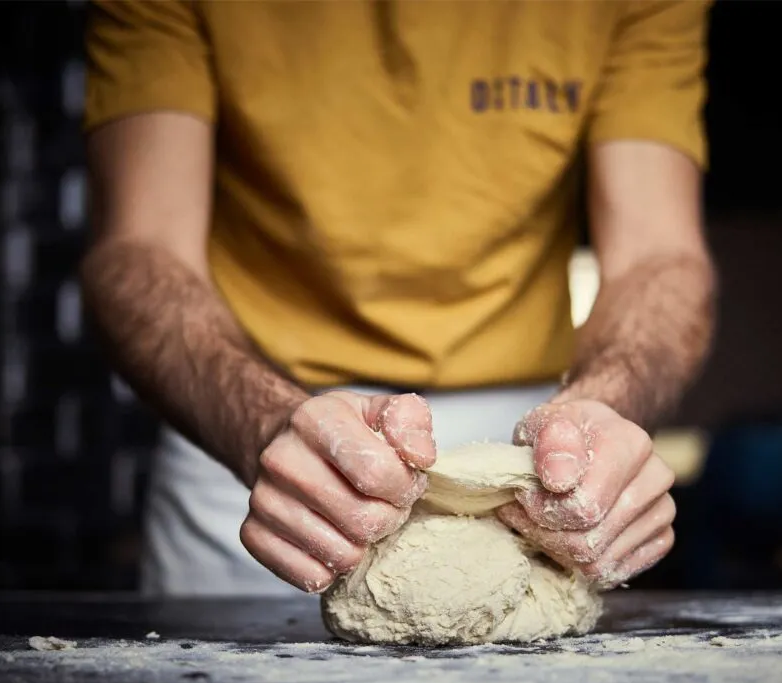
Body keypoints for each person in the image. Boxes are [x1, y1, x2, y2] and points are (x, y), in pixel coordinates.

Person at [80, 0, 717, 597]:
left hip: (527, 458)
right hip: (263, 451)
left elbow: (656, 257)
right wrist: (260, 426)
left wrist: (602, 413)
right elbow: (141, 249)